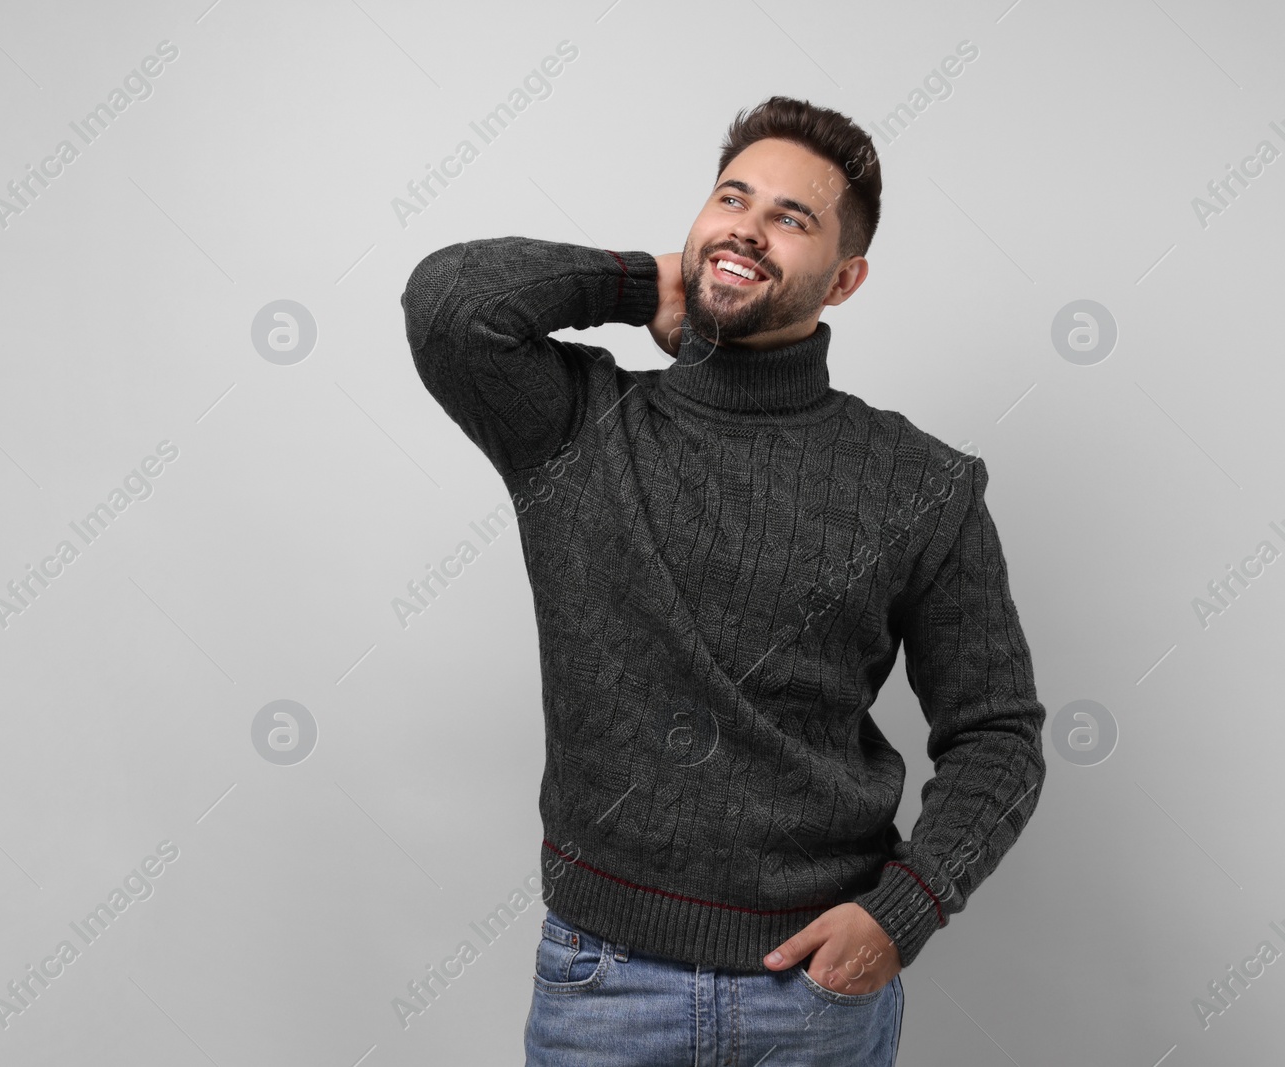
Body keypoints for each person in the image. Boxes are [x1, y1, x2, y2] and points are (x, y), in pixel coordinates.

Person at [400, 95, 1047, 1066]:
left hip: (814, 1002)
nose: (746, 224)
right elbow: (451, 303)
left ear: (844, 279)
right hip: (602, 984)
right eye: (730, 199)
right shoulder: (575, 426)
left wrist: (904, 910)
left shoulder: (922, 483)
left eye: (792, 218)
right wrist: (638, 284)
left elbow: (997, 732)